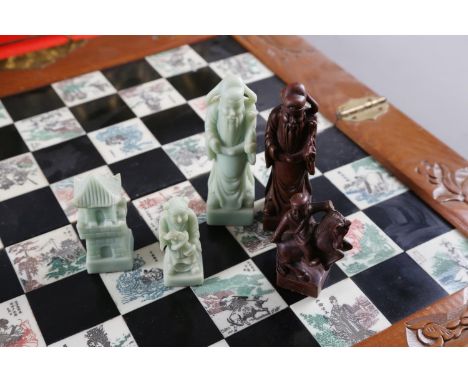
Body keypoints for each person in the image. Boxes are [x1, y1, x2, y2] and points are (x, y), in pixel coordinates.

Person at [263, 83, 318, 231]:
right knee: (277, 185)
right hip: (280, 161)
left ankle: (299, 210)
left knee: (298, 188)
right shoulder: (275, 115)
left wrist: (301, 155)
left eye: (297, 115)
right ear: (283, 108)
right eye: (289, 115)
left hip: (298, 164)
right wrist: (275, 151)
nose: (293, 120)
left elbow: (310, 143)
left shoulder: (309, 121)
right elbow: (269, 136)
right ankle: (274, 205)